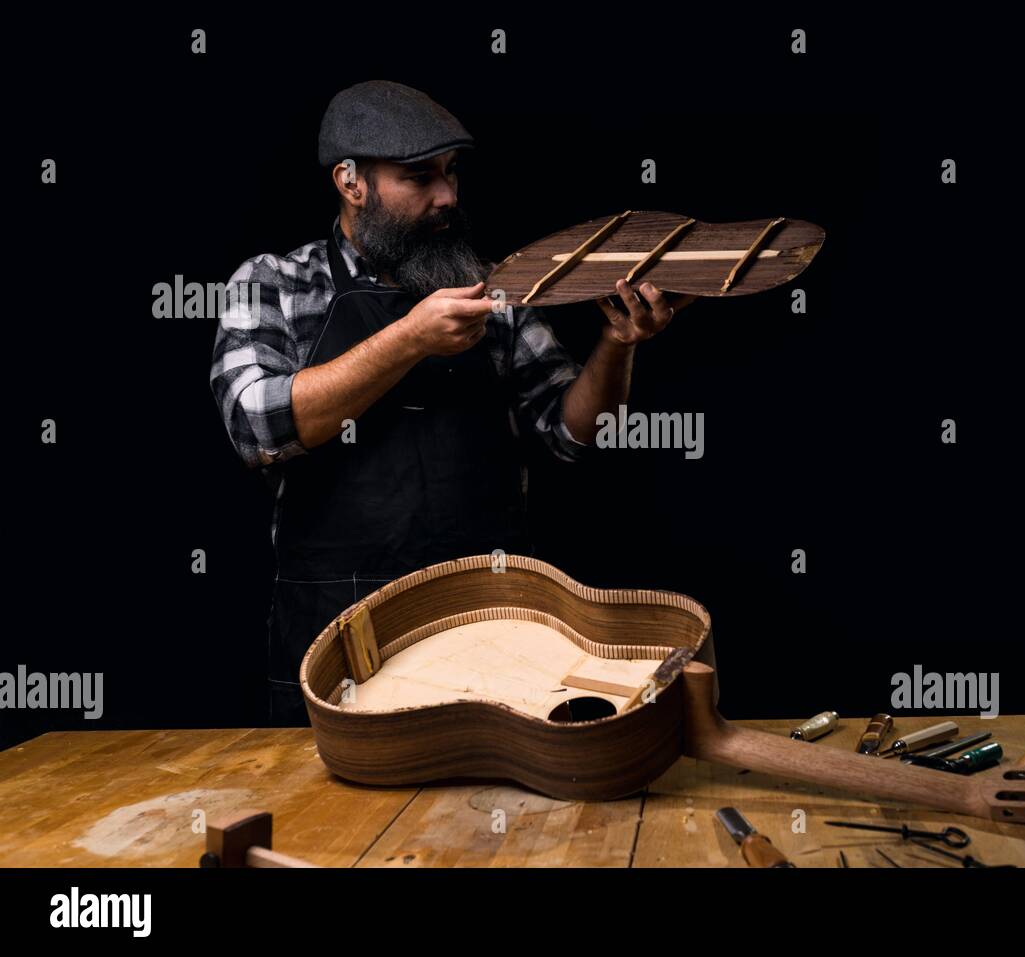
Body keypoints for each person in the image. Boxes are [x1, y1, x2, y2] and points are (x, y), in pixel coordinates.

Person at [210, 80, 695, 725]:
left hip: (488, 616)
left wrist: (616, 344)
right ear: (351, 182)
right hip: (339, 631)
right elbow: (256, 425)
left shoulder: (490, 289)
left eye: (451, 173)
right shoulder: (273, 284)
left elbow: (570, 432)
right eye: (420, 178)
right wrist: (408, 339)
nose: (448, 196)